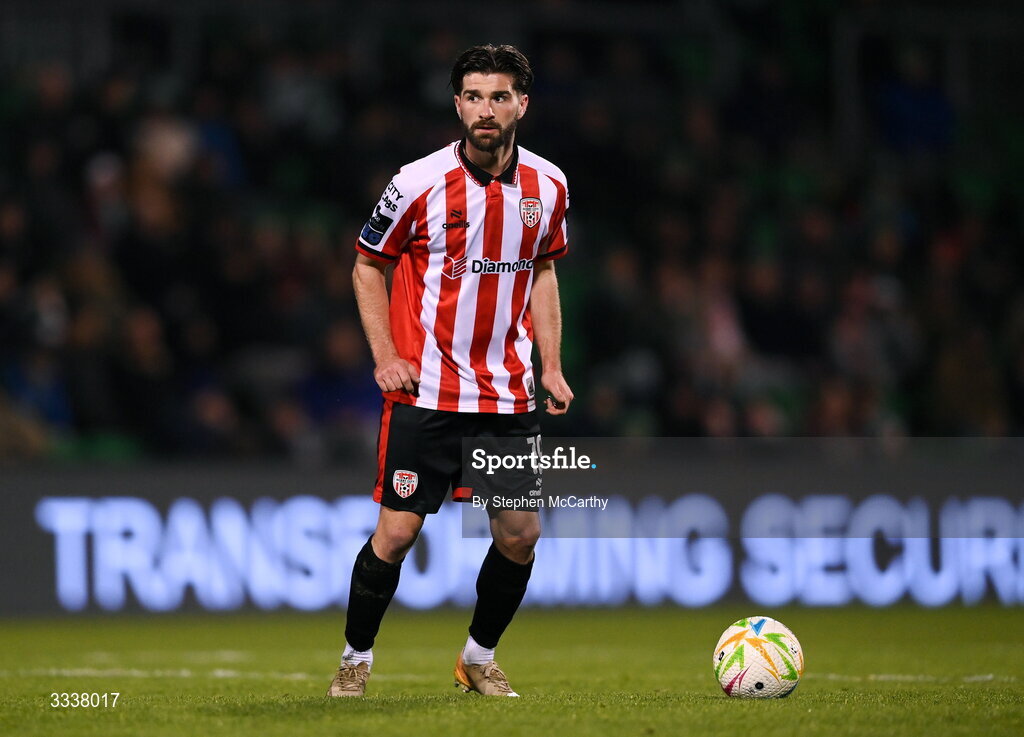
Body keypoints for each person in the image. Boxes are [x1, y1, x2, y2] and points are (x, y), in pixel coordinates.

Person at [327, 44, 573, 698]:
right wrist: (385, 355)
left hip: (507, 394)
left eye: (498, 96)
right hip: (429, 391)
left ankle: (477, 658)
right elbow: (366, 265)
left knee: (521, 534)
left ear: (522, 102)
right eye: (472, 96)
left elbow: (543, 269)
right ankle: (355, 658)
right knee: (398, 531)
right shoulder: (416, 182)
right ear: (456, 103)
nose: (484, 109)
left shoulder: (548, 186)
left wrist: (551, 364)